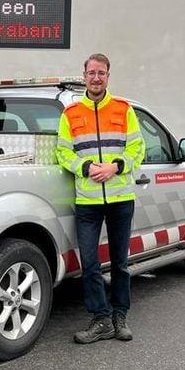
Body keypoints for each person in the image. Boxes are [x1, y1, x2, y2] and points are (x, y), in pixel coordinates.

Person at [56, 53, 145, 343]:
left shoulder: (123, 110)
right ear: (84, 76)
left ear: (108, 76)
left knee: (120, 262)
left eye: (101, 73)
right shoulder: (70, 114)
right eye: (91, 73)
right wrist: (85, 167)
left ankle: (120, 316)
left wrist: (115, 167)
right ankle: (101, 318)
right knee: (90, 263)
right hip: (88, 201)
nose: (96, 78)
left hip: (121, 197)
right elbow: (63, 152)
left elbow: (137, 149)